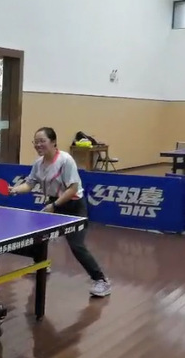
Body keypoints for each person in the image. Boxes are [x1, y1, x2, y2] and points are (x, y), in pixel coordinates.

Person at [9, 127, 112, 298]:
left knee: (76, 245)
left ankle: (101, 280)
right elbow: (29, 184)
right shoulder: (38, 164)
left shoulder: (65, 160)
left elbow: (73, 189)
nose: (38, 145)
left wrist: (54, 205)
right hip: (54, 203)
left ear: (53, 142)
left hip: (73, 205)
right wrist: (15, 190)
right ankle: (41, 265)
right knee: (38, 235)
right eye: (36, 141)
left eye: (42, 141)